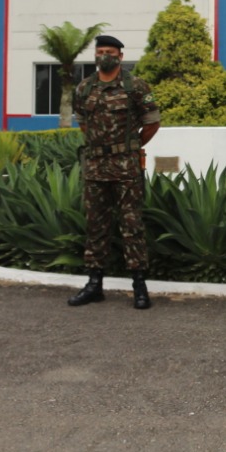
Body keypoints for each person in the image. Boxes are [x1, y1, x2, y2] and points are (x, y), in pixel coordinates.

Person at [67, 34, 161, 310]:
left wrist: (129, 147)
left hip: (126, 168)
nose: (103, 56)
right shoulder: (85, 88)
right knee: (96, 226)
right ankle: (94, 284)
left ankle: (139, 286)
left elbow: (152, 123)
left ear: (120, 55)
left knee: (132, 226)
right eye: (99, 51)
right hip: (96, 168)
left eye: (109, 51)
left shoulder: (135, 86)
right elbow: (83, 122)